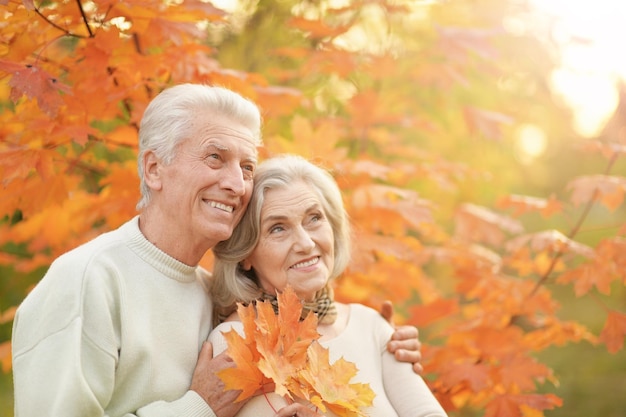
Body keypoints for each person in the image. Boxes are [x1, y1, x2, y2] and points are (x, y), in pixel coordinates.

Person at [11, 83, 422, 417]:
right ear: (154, 169)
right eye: (215, 158)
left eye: (246, 167)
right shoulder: (89, 280)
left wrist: (375, 349)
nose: (237, 184)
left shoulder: (214, 298)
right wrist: (197, 408)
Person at [208, 154, 448, 417]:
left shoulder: (371, 325)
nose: (306, 243)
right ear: (245, 255)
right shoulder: (237, 341)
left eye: (314, 218)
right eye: (278, 229)